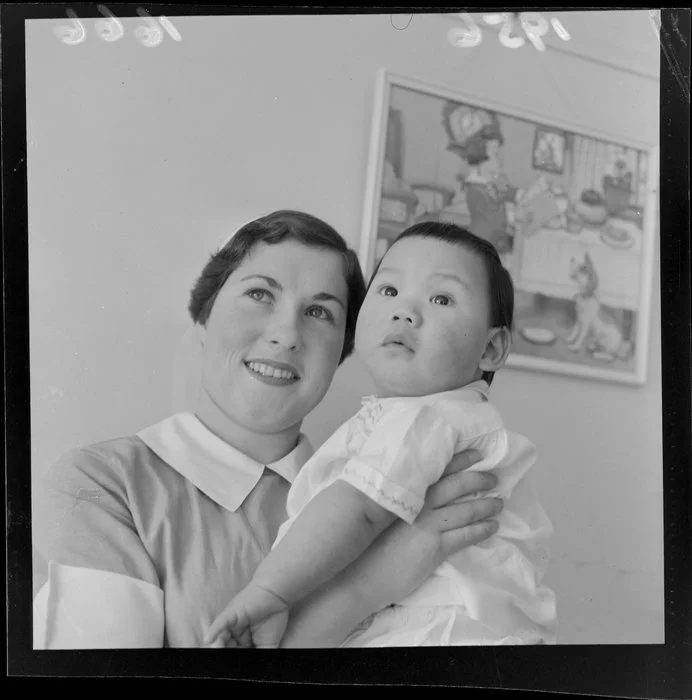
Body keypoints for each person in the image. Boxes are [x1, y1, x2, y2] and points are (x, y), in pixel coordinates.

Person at [32, 210, 505, 649]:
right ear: (204, 314)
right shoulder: (101, 485)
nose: (286, 334)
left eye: (319, 312)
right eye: (260, 294)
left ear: (345, 348)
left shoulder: (394, 482)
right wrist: (366, 589)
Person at [206, 221, 556, 649]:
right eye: (389, 291)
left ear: (491, 349)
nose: (404, 311)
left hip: (438, 633)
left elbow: (360, 511)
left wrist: (269, 591)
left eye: (441, 298)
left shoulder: (431, 418)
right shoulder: (419, 418)